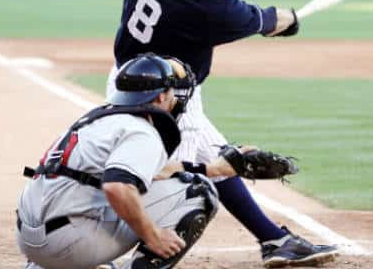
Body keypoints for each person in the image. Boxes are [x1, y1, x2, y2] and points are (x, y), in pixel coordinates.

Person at [106, 0, 338, 268]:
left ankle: (275, 240)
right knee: (183, 183)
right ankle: (141, 258)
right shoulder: (211, 10)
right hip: (169, 100)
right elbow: (271, 20)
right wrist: (291, 19)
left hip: (129, 78)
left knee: (218, 155)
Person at [17, 53, 222, 269]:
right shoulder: (141, 131)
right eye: (172, 92)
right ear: (161, 96)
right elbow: (117, 187)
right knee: (200, 192)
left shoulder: (99, 120)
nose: (174, 99)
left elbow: (154, 172)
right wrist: (153, 235)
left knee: (115, 192)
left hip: (30, 239)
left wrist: (214, 168)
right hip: (67, 243)